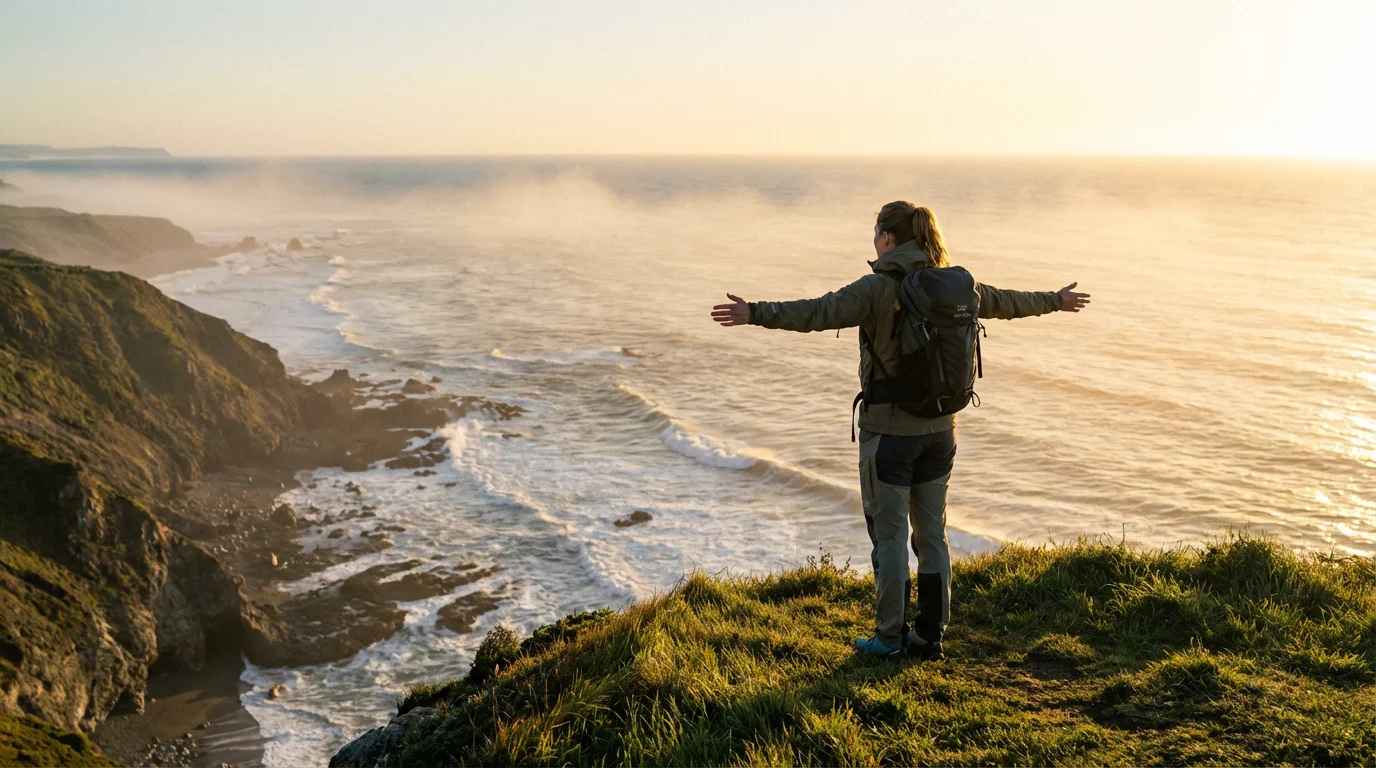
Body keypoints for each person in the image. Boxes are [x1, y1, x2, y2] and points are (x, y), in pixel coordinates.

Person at [710, 201, 1090, 660]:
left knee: (889, 538)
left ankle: (889, 640)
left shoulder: (877, 287)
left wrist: (756, 311)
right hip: (941, 432)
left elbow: (817, 312)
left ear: (888, 239)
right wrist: (1056, 300)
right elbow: (1008, 301)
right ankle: (930, 637)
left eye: (875, 233)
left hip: (889, 436)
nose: (873, 241)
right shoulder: (957, 286)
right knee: (932, 535)